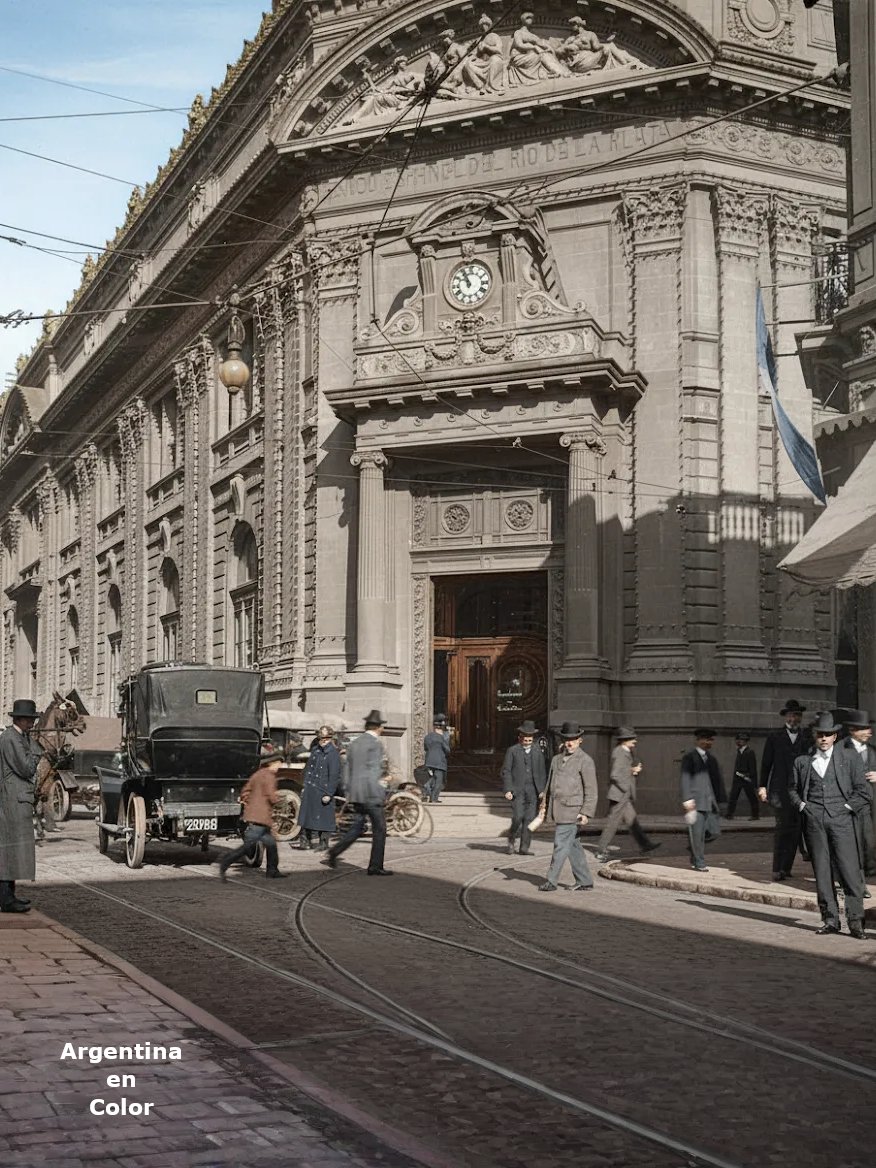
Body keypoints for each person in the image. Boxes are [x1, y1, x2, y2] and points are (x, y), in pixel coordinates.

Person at [788, 712, 871, 939]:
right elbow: (792, 790)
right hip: (815, 822)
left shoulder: (849, 758)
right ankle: (830, 920)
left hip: (842, 822)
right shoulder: (803, 762)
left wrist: (845, 809)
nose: (824, 739)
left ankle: (856, 923)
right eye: (820, 735)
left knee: (849, 872)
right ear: (814, 736)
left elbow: (862, 793)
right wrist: (803, 806)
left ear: (835, 736)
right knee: (822, 873)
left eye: (828, 734)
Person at [326, 710, 392, 876]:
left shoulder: (355, 743)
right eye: (382, 726)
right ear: (378, 727)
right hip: (370, 793)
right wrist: (380, 790)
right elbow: (373, 771)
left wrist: (349, 790)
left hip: (356, 793)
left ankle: (334, 851)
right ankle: (375, 866)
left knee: (358, 826)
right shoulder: (376, 744)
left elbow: (347, 769)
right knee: (380, 829)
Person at [538, 722, 597, 891]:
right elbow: (550, 783)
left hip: (573, 811)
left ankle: (551, 881)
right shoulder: (556, 759)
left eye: (573, 739)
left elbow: (591, 789)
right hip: (558, 809)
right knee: (573, 846)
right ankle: (585, 880)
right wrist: (544, 805)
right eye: (567, 739)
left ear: (580, 740)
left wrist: (586, 812)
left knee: (560, 845)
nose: (570, 743)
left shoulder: (585, 761)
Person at [759, 699, 811, 881]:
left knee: (796, 831)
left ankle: (786, 869)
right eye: (791, 715)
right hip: (779, 792)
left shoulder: (807, 737)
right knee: (782, 830)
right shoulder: (775, 737)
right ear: (785, 717)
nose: (794, 718)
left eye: (797, 715)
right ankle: (777, 868)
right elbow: (766, 763)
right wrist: (762, 786)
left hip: (800, 792)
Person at [0, 699, 44, 913]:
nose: (33, 724)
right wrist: (36, 749)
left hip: (16, 799)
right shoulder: (11, 738)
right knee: (9, 850)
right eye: (30, 720)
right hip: (13, 801)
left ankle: (9, 896)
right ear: (20, 719)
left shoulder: (18, 737)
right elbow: (26, 769)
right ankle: (6, 900)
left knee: (12, 850)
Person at [218, 751, 288, 880]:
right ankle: (225, 862)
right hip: (259, 819)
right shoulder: (269, 776)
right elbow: (271, 797)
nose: (279, 766)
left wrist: (252, 802)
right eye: (278, 763)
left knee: (271, 844)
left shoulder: (257, 774)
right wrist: (279, 800)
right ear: (273, 763)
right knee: (247, 847)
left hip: (256, 817)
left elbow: (245, 791)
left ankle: (272, 870)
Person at [595, 727, 660, 863]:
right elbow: (615, 774)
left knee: (632, 821)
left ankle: (645, 845)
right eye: (632, 738)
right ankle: (601, 850)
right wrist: (630, 775)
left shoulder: (625, 751)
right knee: (612, 823)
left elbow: (621, 771)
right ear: (624, 740)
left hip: (623, 794)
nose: (635, 741)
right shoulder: (619, 752)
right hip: (620, 794)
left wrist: (631, 770)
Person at [501, 720, 548, 855]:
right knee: (518, 816)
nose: (527, 741)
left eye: (530, 739)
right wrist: (508, 789)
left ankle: (524, 847)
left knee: (529, 819)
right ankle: (511, 839)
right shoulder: (512, 751)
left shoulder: (538, 752)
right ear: (520, 738)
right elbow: (506, 771)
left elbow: (541, 772)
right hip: (517, 790)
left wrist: (542, 790)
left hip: (533, 791)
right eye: (525, 739)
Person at [841, 710, 876, 890]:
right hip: (849, 803)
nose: (869, 732)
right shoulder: (841, 748)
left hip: (869, 804)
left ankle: (869, 870)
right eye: (864, 729)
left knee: (869, 839)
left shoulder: (872, 750)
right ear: (853, 730)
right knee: (851, 842)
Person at [681, 728, 722, 873]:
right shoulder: (690, 757)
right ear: (698, 740)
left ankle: (694, 848)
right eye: (705, 739)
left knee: (714, 832)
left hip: (709, 802)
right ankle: (699, 862)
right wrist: (687, 799)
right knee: (697, 834)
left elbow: (716, 781)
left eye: (710, 739)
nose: (708, 742)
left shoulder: (711, 759)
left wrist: (719, 800)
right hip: (695, 802)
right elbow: (685, 778)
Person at [298, 726, 341, 850]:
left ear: (331, 739)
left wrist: (329, 793)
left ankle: (323, 843)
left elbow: (334, 775)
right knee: (306, 815)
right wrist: (304, 785)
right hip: (311, 787)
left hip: (323, 789)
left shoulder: (333, 754)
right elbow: (308, 770)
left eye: (327, 739)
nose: (324, 741)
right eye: (322, 738)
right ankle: (305, 840)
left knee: (324, 817)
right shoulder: (315, 751)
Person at [726, 731, 759, 820]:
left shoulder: (749, 752)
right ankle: (729, 814)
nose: (739, 741)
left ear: (745, 741)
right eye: (738, 740)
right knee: (733, 796)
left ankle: (755, 815)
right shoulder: (739, 752)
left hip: (746, 778)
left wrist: (752, 779)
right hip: (738, 778)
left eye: (741, 740)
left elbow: (752, 767)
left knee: (751, 797)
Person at [423, 717, 451, 803]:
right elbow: (447, 750)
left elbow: (426, 748)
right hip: (439, 761)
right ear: (440, 728)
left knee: (433, 778)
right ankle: (433, 798)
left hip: (429, 761)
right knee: (439, 781)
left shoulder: (427, 737)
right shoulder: (441, 738)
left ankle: (428, 789)